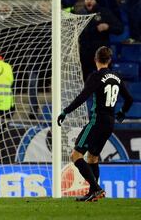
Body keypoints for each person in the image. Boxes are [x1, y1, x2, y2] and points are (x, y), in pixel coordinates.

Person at [57, 46, 133, 202]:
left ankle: (97, 189)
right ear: (110, 60)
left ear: (95, 59)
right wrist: (122, 113)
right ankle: (93, 193)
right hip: (110, 122)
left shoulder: (96, 76)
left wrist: (66, 111)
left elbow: (82, 97)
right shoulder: (116, 76)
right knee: (92, 158)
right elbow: (129, 99)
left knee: (76, 155)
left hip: (97, 121)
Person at [77, 0, 123, 82]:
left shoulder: (105, 12)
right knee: (85, 82)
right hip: (85, 53)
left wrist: (108, 27)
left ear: (97, 0)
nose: (89, 1)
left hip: (102, 53)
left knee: (105, 80)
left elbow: (120, 28)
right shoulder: (79, 14)